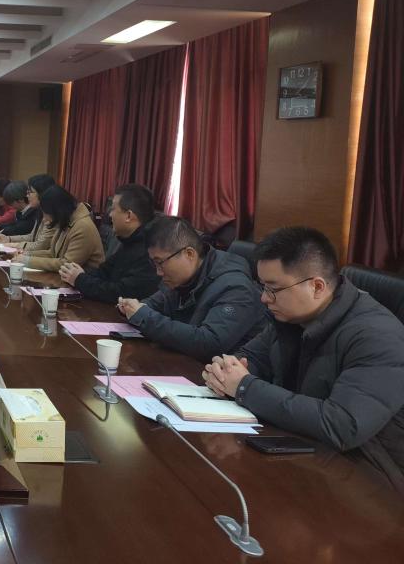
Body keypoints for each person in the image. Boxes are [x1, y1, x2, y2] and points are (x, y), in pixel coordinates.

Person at [204, 227, 404, 494]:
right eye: (262, 286)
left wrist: (243, 386)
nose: (264, 298)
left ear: (317, 286)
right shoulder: (291, 315)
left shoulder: (377, 336)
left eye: (273, 289)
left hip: (370, 480)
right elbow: (252, 357)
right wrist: (226, 369)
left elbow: (342, 425)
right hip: (301, 451)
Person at [117, 215, 266, 363]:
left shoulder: (236, 288)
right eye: (154, 264)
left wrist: (144, 316)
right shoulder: (182, 278)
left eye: (160, 263)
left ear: (189, 254)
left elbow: (209, 344)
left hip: (215, 372)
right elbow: (153, 305)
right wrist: (132, 309)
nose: (158, 272)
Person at [60, 183, 160, 303]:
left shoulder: (150, 250)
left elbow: (121, 293)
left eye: (113, 209)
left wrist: (80, 279)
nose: (110, 214)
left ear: (128, 216)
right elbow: (104, 272)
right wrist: (75, 273)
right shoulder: (129, 241)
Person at [19, 185, 104, 272]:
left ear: (57, 211)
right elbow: (53, 253)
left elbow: (67, 264)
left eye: (46, 213)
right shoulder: (67, 220)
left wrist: (27, 261)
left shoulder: (82, 227)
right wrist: (25, 254)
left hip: (86, 278)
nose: (44, 219)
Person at [0, 173, 54, 248]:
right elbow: (32, 236)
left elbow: (41, 245)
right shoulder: (40, 211)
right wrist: (8, 239)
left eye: (30, 192)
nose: (27, 195)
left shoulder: (48, 215)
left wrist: (13, 245)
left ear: (42, 193)